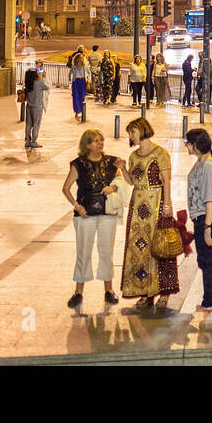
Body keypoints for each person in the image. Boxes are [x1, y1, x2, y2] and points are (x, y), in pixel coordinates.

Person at [62, 129, 130, 308]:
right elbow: (66, 188)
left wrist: (113, 188)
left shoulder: (111, 162)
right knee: (83, 252)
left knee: (106, 251)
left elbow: (120, 182)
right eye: (95, 141)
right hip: (85, 214)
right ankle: (78, 291)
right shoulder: (78, 164)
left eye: (101, 140)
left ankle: (109, 289)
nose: (100, 144)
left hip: (107, 211)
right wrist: (77, 206)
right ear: (86, 145)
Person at [120, 117, 179, 308]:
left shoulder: (160, 154)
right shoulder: (133, 156)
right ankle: (145, 290)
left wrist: (167, 205)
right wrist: (122, 169)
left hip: (156, 203)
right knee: (139, 248)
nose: (130, 136)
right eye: (130, 132)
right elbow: (132, 181)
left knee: (160, 247)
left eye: (133, 132)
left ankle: (164, 292)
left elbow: (167, 180)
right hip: (138, 206)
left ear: (143, 131)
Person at [184, 128, 212, 312]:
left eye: (188, 142)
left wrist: (207, 227)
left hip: (208, 217)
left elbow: (211, 199)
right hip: (205, 216)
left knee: (207, 261)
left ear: (195, 146)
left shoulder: (208, 166)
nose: (186, 145)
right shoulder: (204, 161)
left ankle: (208, 302)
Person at [23, 66, 49, 150]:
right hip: (37, 107)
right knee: (36, 124)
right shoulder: (38, 82)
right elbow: (47, 87)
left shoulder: (27, 84)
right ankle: (34, 142)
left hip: (29, 106)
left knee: (28, 124)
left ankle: (27, 141)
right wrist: (43, 76)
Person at [69, 50, 88, 121]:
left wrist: (88, 80)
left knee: (82, 96)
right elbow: (70, 74)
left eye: (82, 58)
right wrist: (70, 82)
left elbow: (88, 73)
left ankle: (82, 111)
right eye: (79, 58)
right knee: (75, 96)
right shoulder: (74, 67)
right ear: (76, 59)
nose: (81, 59)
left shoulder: (85, 67)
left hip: (82, 81)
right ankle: (77, 111)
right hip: (76, 82)